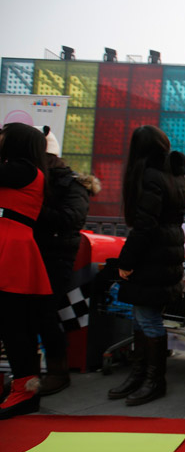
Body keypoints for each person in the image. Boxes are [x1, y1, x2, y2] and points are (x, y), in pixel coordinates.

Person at [107, 125, 185, 407]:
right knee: (143, 316)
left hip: (152, 255)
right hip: (166, 251)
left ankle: (153, 379)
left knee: (147, 317)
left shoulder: (150, 176)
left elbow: (144, 225)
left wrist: (126, 261)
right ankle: (142, 375)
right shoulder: (175, 173)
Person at [34, 127, 101, 396]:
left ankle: (57, 371)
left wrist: (31, 209)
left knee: (44, 312)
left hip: (55, 256)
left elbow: (71, 219)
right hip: (36, 252)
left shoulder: (71, 184)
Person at [0, 123, 52, 419]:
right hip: (10, 247)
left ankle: (24, 390)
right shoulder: (22, 170)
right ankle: (22, 388)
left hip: (11, 250)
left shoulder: (24, 170)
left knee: (14, 325)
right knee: (14, 324)